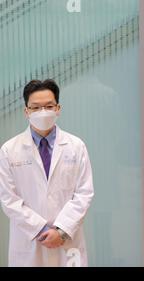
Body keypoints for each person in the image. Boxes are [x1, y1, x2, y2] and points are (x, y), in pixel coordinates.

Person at [0, 79, 94, 267]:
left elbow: (84, 193)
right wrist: (41, 229)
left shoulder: (76, 146)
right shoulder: (10, 150)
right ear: (26, 111)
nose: (43, 112)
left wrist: (61, 230)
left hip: (67, 239)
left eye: (49, 106)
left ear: (58, 108)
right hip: (29, 240)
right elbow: (9, 199)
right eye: (35, 108)